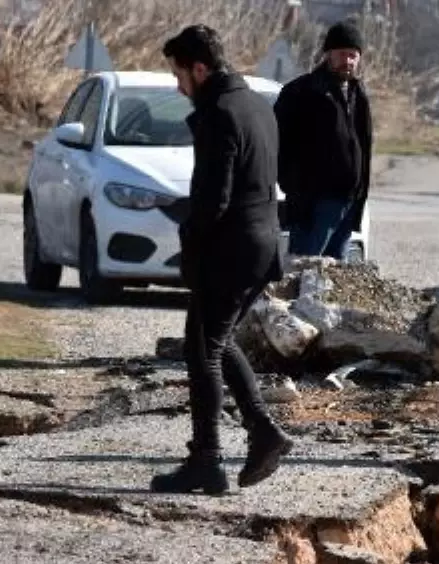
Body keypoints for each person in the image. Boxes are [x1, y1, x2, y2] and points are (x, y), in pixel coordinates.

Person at [150, 25, 293, 495]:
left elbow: (215, 198)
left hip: (231, 248)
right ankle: (261, 433)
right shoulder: (254, 105)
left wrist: (189, 235)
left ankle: (209, 460)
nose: (178, 87)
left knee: (202, 350)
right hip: (259, 243)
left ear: (200, 68)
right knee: (214, 341)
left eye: (179, 75)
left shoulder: (220, 113)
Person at [274, 20, 373, 260]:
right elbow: (277, 145)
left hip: (348, 204)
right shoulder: (302, 92)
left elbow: (363, 145)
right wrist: (297, 191)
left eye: (353, 55)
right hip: (313, 206)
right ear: (328, 54)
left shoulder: (358, 95)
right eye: (342, 54)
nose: (347, 61)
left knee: (333, 281)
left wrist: (359, 194)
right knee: (304, 271)